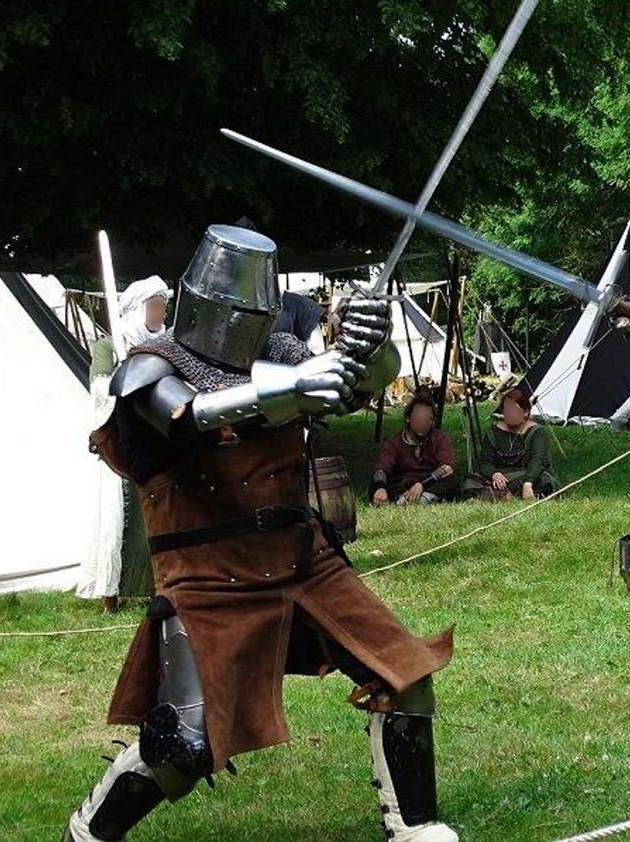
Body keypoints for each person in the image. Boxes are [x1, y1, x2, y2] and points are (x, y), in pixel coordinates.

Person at [67, 225, 457, 842]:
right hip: (207, 575)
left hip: (303, 560)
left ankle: (413, 828)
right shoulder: (150, 366)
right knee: (183, 744)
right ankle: (90, 831)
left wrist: (375, 347)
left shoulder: (281, 355)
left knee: (402, 673)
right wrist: (292, 387)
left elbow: (359, 386)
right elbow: (185, 416)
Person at [81, 278, 174, 606]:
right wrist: (125, 378)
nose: (159, 312)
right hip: (120, 444)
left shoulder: (167, 344)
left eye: (162, 305)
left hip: (157, 439)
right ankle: (111, 594)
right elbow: (99, 388)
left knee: (160, 516)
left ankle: (159, 587)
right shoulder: (109, 346)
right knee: (117, 520)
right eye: (153, 305)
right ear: (137, 308)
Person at [461, 389, 557, 500]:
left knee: (544, 479)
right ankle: (502, 494)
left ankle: (499, 495)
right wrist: (494, 474)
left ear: (525, 412)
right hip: (502, 477)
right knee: (470, 482)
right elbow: (486, 462)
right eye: (507, 409)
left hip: (527, 474)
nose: (509, 413)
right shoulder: (493, 432)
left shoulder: (537, 432)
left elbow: (538, 460)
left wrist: (528, 483)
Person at [372, 394, 457, 505]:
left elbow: (447, 467)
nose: (424, 422)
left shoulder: (439, 438)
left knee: (448, 482)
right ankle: (401, 500)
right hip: (403, 485)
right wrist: (380, 489)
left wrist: (422, 484)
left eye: (428, 419)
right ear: (408, 418)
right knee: (378, 484)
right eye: (419, 418)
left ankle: (422, 499)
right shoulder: (395, 442)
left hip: (429, 484)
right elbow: (382, 468)